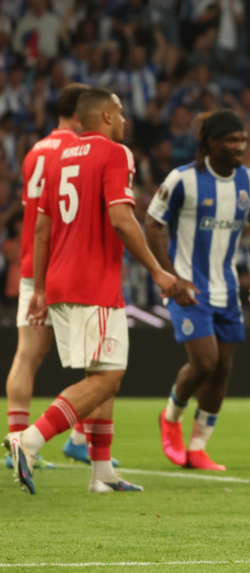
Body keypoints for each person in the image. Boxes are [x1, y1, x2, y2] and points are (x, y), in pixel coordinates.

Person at [5, 88, 183, 494]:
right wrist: (156, 270)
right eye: (119, 112)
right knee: (107, 379)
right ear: (105, 115)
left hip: (59, 280)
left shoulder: (55, 158)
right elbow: (122, 219)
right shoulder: (115, 153)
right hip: (93, 282)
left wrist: (41, 288)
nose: (124, 120)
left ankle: (101, 473)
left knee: (99, 373)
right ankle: (28, 440)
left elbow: (42, 228)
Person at [147, 110, 250, 471]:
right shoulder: (182, 180)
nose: (240, 147)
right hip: (188, 288)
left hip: (227, 290)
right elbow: (152, 226)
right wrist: (169, 277)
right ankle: (170, 418)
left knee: (222, 369)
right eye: (232, 140)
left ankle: (198, 447)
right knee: (205, 361)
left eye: (243, 140)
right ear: (211, 143)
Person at [5, 83, 109, 471]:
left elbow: (34, 214)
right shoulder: (76, 152)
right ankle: (84, 442)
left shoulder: (35, 152)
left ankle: (16, 436)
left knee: (27, 355)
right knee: (99, 363)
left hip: (34, 265)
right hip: (68, 267)